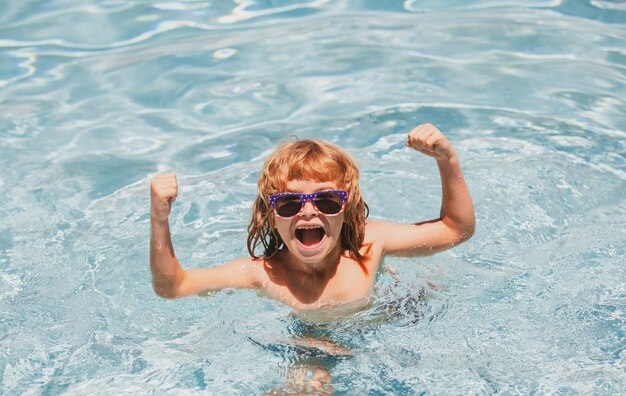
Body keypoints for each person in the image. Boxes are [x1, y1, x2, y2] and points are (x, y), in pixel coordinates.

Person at [150, 123, 475, 311]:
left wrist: (447, 159)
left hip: (386, 315)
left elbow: (456, 229)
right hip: (313, 342)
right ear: (270, 214)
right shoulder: (263, 274)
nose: (308, 211)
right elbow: (174, 286)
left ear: (347, 208)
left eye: (327, 200)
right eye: (289, 204)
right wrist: (160, 219)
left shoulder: (370, 245)